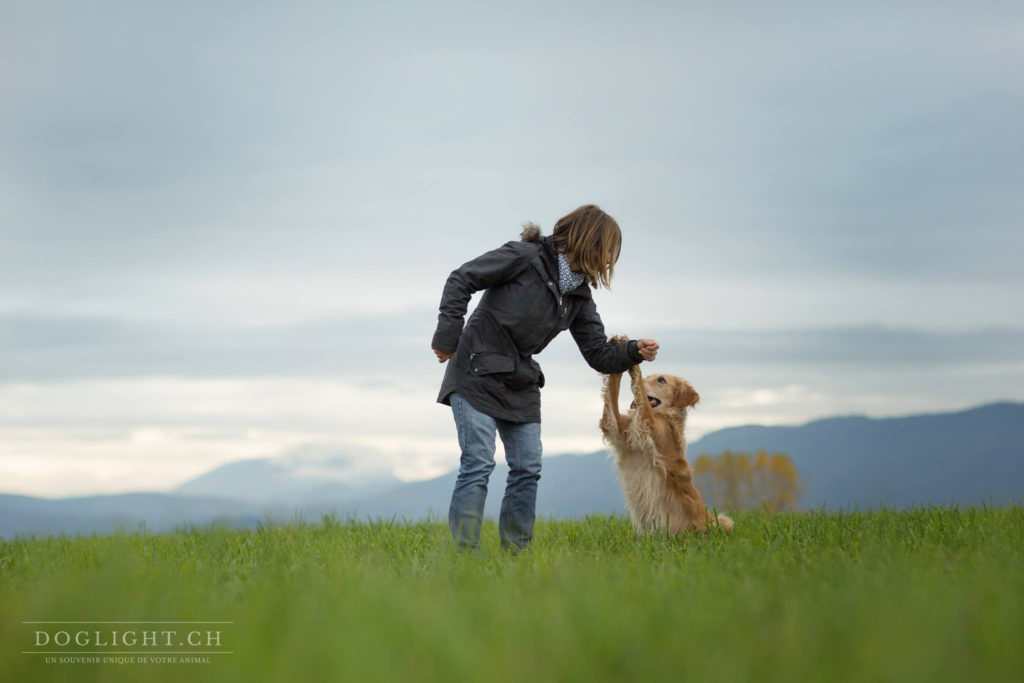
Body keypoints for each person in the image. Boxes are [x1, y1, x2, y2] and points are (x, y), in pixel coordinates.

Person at [430, 204, 659, 552]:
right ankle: (465, 558)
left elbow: (598, 353)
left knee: (528, 468)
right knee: (478, 462)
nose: (612, 260)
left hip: (519, 380)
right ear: (590, 241)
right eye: (610, 249)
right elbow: (461, 278)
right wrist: (447, 337)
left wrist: (632, 350)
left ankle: (515, 559)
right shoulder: (524, 257)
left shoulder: (579, 297)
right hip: (474, 370)